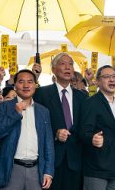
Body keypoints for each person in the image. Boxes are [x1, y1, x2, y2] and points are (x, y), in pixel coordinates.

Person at [0, 69, 54, 190]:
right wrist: (15, 114)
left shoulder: (43, 111)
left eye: (30, 82)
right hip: (11, 168)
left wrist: (48, 171)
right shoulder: (3, 107)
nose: (26, 85)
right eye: (21, 81)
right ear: (14, 86)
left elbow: (48, 143)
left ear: (35, 85)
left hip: (36, 170)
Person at [34, 53, 88, 190]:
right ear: (53, 69)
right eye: (63, 63)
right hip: (52, 159)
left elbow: (85, 126)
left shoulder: (82, 97)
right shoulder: (42, 93)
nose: (68, 67)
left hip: (76, 158)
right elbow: (36, 123)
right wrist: (54, 134)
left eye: (70, 64)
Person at [80, 65, 115, 190]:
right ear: (97, 81)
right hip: (97, 169)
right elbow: (83, 132)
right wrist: (92, 138)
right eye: (106, 77)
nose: (112, 80)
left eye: (114, 76)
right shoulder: (90, 103)